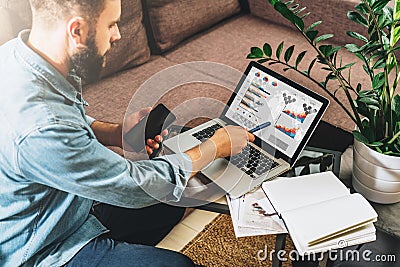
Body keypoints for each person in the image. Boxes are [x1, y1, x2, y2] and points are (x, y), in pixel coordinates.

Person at [0, 0, 254, 266]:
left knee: (167, 201)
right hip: (44, 247)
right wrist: (216, 146)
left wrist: (116, 133)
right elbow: (136, 185)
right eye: (111, 24)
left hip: (68, 206)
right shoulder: (42, 127)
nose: (118, 35)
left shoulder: (15, 57)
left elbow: (67, 121)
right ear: (76, 30)